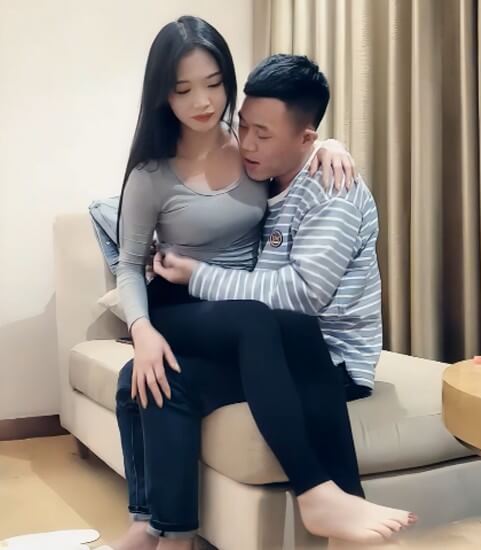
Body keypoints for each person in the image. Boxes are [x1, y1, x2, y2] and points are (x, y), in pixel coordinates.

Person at [111, 16, 411, 550]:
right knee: (254, 323)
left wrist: (331, 144)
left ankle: (171, 534)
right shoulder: (154, 174)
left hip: (256, 322)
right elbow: (130, 263)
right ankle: (319, 491)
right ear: (163, 94)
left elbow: (296, 144)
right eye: (183, 89)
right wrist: (142, 328)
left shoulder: (254, 157)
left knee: (154, 379)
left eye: (213, 84)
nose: (203, 102)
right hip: (187, 305)